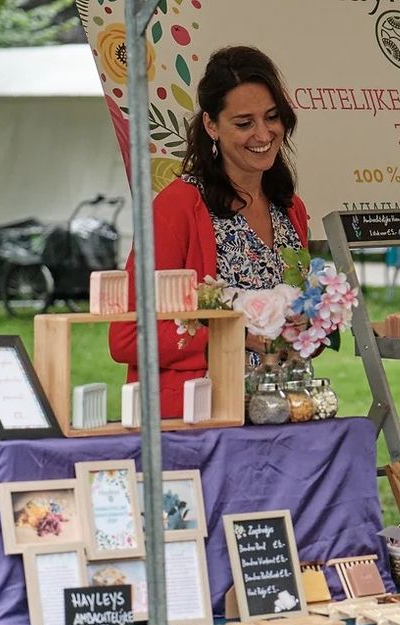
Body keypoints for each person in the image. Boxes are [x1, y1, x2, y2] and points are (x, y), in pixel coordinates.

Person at [108, 46, 308, 418]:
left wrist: (309, 327)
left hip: (284, 415)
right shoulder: (177, 207)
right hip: (198, 423)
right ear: (211, 125)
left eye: (272, 117)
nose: (263, 133)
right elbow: (126, 338)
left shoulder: (291, 208)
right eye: (244, 123)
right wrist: (234, 338)